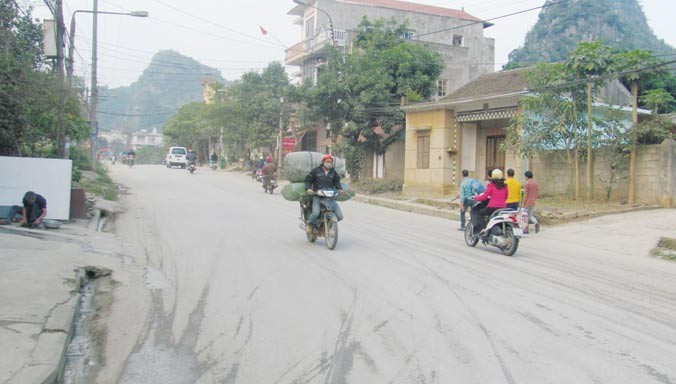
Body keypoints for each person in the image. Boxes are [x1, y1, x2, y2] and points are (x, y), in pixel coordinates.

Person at [304, 154, 344, 233]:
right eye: (327, 162)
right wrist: (308, 188)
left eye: (330, 162)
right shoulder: (316, 170)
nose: (329, 163)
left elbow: (337, 182)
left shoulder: (333, 172)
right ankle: (309, 224)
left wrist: (340, 189)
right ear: (323, 162)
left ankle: (327, 225)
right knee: (316, 213)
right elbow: (308, 180)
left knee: (340, 216)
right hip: (317, 196)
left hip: (329, 197)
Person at [470, 169, 508, 236]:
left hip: (492, 207)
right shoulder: (505, 186)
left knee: (480, 213)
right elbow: (506, 196)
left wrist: (475, 197)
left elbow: (484, 196)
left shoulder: (491, 185)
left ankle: (482, 229)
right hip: (503, 207)